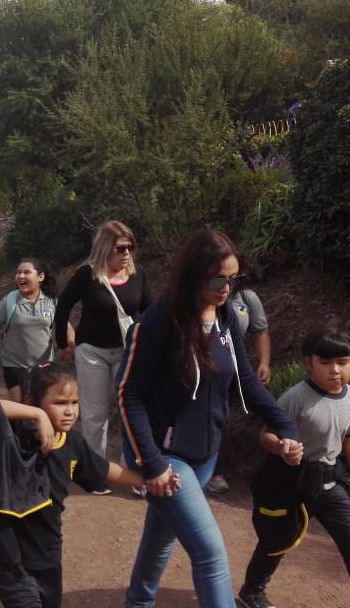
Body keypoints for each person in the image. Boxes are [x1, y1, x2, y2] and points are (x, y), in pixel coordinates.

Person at [117, 228, 302, 608]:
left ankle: (137, 602)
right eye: (219, 280)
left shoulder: (227, 317)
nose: (227, 289)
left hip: (205, 453)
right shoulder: (156, 324)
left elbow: (245, 379)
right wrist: (151, 464)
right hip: (163, 454)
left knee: (162, 533)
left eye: (234, 280)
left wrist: (284, 426)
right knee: (210, 554)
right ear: (193, 276)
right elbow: (128, 394)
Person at [0, 363, 165, 608]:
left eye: (74, 403)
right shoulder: (13, 438)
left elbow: (103, 469)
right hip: (12, 562)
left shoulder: (72, 443)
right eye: (60, 403)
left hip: (50, 558)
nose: (70, 411)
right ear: (31, 401)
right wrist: (36, 415)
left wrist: (148, 479)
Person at [237, 329, 350, 608]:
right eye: (326, 363)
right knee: (277, 539)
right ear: (309, 363)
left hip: (328, 483)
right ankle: (252, 592)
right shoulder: (295, 397)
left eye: (343, 363)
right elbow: (266, 435)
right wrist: (282, 446)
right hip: (286, 482)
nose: (336, 371)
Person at [54, 220, 152, 478]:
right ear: (105, 248)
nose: (127, 253)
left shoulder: (137, 274)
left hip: (128, 352)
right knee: (95, 413)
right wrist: (64, 343)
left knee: (131, 411)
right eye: (121, 248)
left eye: (130, 247)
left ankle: (131, 469)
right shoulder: (87, 275)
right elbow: (63, 307)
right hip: (92, 351)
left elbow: (150, 312)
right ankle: (95, 471)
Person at [208, 255, 272, 494]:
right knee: (217, 416)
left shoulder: (247, 299)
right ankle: (214, 472)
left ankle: (263, 469)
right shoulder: (204, 297)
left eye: (234, 277)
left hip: (236, 367)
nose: (228, 283)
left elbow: (261, 331)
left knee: (266, 406)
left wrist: (264, 362)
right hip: (209, 370)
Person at [0, 258, 69, 402]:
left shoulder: (51, 302)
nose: (21, 276)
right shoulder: (9, 301)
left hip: (44, 367)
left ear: (40, 277)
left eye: (26, 272)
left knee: (39, 409)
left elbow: (66, 326)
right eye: (18, 272)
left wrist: (70, 344)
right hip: (15, 366)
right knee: (22, 410)